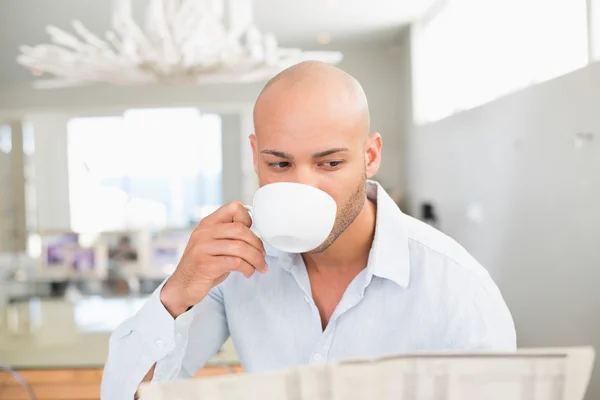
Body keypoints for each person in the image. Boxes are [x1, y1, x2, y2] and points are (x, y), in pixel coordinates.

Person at [101, 61, 516, 399]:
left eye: (330, 163)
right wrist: (177, 293)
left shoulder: (458, 289)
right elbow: (127, 395)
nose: (302, 185)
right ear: (254, 156)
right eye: (279, 164)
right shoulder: (235, 264)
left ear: (370, 156)